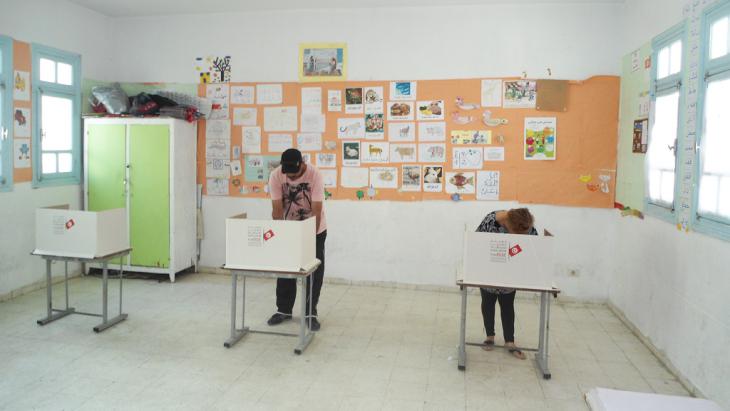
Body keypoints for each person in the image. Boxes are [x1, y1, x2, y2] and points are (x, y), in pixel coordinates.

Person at [266, 149, 327, 331]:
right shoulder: (276, 176)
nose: (290, 177)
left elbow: (316, 210)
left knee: (314, 269)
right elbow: (277, 210)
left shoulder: (315, 175)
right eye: (288, 173)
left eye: (294, 172)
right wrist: (280, 234)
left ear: (301, 164)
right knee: (285, 267)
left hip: (315, 229)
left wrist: (310, 238)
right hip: (289, 227)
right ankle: (283, 309)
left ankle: (310, 312)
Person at [476, 208, 537, 360]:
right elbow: (475, 243)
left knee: (508, 306)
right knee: (488, 304)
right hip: (488, 273)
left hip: (511, 274)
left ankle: (510, 341)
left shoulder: (525, 224)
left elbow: (535, 245)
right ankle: (490, 337)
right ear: (509, 224)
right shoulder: (490, 221)